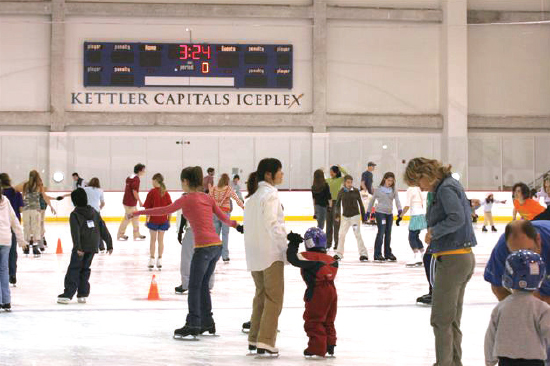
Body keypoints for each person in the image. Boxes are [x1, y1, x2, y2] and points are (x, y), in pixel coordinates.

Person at [131, 166, 242, 338]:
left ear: (186, 181)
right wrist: (237, 226)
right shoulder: (207, 197)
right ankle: (207, 322)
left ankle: (193, 323)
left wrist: (138, 212)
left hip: (204, 248)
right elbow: (223, 217)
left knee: (194, 286)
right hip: (216, 248)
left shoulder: (186, 199)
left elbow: (163, 210)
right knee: (203, 285)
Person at [404, 157, 476, 366]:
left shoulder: (445, 188)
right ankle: (453, 362)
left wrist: (434, 232)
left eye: (418, 182)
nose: (420, 187)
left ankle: (444, 363)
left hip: (453, 259)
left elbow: (457, 218)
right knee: (451, 319)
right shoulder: (449, 185)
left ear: (424, 174)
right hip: (461, 257)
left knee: (441, 319)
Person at [243, 158, 287, 357]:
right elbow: (272, 224)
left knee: (261, 295)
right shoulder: (270, 195)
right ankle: (266, 341)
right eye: (280, 171)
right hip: (270, 254)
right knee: (274, 298)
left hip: (254, 255)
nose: (282, 175)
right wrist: (286, 246)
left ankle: (254, 337)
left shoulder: (252, 198)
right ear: (269, 174)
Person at [485, 250, 550, 366]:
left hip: (506, 361)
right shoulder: (542, 308)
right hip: (535, 361)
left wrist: (490, 361)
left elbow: (490, 336)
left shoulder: (501, 307)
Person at [286, 228, 338, 358]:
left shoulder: (308, 256)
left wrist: (293, 243)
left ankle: (317, 348)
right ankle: (330, 345)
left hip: (317, 291)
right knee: (328, 319)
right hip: (332, 291)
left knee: (313, 320)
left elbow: (292, 259)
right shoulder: (331, 259)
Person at [57, 188, 113, 304]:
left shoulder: (75, 214)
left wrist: (78, 247)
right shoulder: (94, 212)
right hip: (92, 246)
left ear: (74, 201)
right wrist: (109, 243)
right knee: (85, 269)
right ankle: (82, 294)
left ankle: (68, 294)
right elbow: (103, 227)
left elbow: (75, 232)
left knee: (74, 269)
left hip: (81, 247)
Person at [484, 220, 550, 303]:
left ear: (538, 239)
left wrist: (540, 304)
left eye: (529, 250)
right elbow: (498, 288)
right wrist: (516, 309)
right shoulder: (502, 248)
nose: (524, 260)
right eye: (515, 253)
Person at [0, 185, 27, 311]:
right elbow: (15, 221)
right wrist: (21, 241)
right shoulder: (5, 201)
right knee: (3, 271)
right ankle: (6, 301)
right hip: (6, 239)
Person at [366, 172, 402, 262]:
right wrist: (368, 211)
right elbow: (372, 201)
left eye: (392, 181)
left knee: (388, 234)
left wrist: (400, 210)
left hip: (389, 214)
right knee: (381, 232)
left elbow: (397, 200)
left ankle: (387, 253)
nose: (390, 182)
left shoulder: (393, 190)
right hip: (380, 213)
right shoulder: (378, 189)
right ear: (384, 179)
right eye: (388, 180)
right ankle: (377, 254)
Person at [16, 170, 53, 256]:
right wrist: (50, 206)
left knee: (26, 227)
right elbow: (44, 196)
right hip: (35, 209)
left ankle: (27, 247)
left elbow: (20, 193)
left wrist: (20, 206)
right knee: (36, 227)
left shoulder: (25, 185)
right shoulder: (39, 185)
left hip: (26, 209)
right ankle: (35, 247)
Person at [210, 173, 244, 262]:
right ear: (227, 181)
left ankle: (214, 255)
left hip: (215, 214)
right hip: (225, 214)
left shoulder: (213, 189)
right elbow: (237, 200)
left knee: (215, 236)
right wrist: (244, 208)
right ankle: (225, 256)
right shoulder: (228, 189)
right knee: (225, 235)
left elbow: (209, 200)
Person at [333, 175, 368, 262]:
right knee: (341, 234)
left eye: (351, 182)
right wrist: (337, 215)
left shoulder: (355, 191)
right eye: (348, 182)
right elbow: (337, 204)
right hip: (345, 218)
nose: (350, 184)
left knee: (357, 234)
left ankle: (363, 254)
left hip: (355, 217)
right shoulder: (341, 191)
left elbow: (360, 203)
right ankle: (339, 254)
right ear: (344, 183)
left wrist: (363, 216)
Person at [143, 173, 172, 270]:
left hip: (154, 220)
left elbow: (148, 208)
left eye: (152, 180)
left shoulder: (152, 192)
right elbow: (170, 208)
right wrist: (169, 221)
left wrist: (147, 220)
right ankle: (159, 259)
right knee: (160, 240)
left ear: (156, 181)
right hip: (163, 220)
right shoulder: (166, 193)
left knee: (153, 240)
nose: (152, 182)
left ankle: (152, 259)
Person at [0, 173, 24, 286]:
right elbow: (21, 209)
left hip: (3, 226)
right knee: (12, 252)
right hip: (14, 225)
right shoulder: (16, 193)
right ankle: (12, 274)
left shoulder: (2, 194)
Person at [117, 163, 146, 241]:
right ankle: (120, 234)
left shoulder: (130, 177)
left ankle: (136, 234)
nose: (144, 172)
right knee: (127, 218)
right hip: (130, 203)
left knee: (136, 216)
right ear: (139, 171)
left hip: (129, 202)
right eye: (143, 170)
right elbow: (134, 191)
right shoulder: (136, 179)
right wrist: (140, 201)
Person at [399, 185, 427, 267]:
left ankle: (416, 256)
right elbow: (422, 203)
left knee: (411, 237)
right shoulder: (418, 188)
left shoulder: (410, 189)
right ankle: (422, 254)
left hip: (415, 215)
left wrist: (401, 215)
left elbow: (407, 205)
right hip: (421, 214)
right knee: (416, 236)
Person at [325, 165, 348, 249]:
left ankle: (337, 243)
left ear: (336, 172)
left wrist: (341, 168)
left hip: (337, 204)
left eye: (332, 171)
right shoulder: (328, 180)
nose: (330, 173)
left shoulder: (340, 180)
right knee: (328, 224)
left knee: (336, 224)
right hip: (328, 203)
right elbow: (319, 181)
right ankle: (328, 243)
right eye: (330, 171)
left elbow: (347, 175)